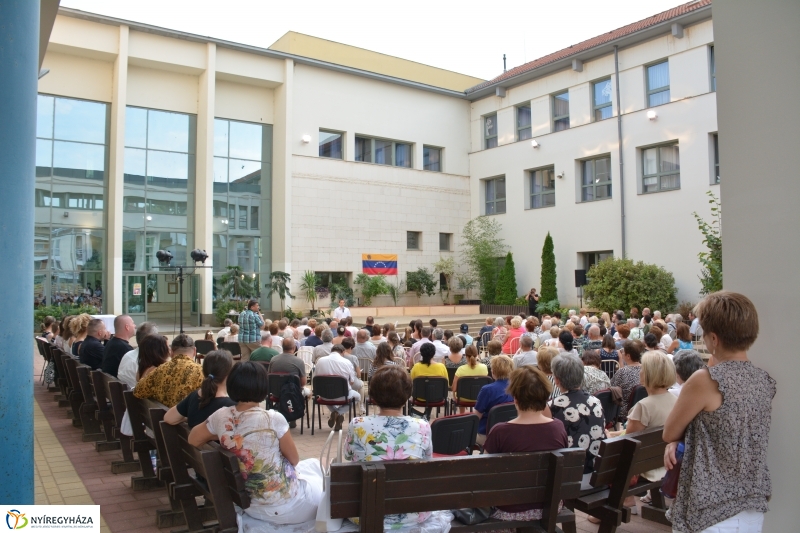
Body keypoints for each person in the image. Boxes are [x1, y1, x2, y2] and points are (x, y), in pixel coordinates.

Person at [664, 293, 775, 533]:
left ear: (713, 338)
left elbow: (669, 431)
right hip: (751, 506)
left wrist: (676, 440)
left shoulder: (706, 380)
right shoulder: (762, 380)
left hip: (712, 513)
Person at [189, 362, 323, 525]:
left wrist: (225, 437)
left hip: (248, 504)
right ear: (263, 388)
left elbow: (193, 439)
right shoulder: (273, 418)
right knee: (321, 479)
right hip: (284, 506)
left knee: (313, 466)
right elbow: (294, 460)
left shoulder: (221, 416)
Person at [344, 366, 432, 529]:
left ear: (373, 396)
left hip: (365, 512)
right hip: (413, 513)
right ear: (407, 395)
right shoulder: (422, 426)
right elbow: (427, 461)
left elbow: (348, 456)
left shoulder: (357, 425)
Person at [484, 365, 569, 525]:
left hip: (508, 509)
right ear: (545, 396)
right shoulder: (558, 427)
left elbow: (484, 473)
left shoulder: (500, 431)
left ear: (515, 398)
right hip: (550, 506)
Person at [627, 350, 677, 487]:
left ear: (649, 373)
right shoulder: (675, 400)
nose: (640, 371)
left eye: (642, 368)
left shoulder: (644, 407)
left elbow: (626, 443)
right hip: (663, 462)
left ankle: (627, 498)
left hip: (643, 468)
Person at [550, 354, 606, 473]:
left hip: (568, 472)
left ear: (556, 380)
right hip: (595, 468)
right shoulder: (595, 401)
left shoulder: (552, 406)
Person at [164, 350, 236, 428]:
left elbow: (168, 418)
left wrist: (188, 418)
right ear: (230, 375)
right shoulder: (232, 406)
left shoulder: (194, 396)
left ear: (204, 371)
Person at [134, 334, 204, 407]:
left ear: (172, 352)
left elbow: (137, 391)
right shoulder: (202, 372)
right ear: (195, 351)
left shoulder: (159, 370)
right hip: (187, 417)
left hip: (162, 417)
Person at [314, 344, 362, 429]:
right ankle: (339, 413)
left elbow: (315, 378)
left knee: (327, 395)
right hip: (343, 395)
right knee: (358, 397)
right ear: (343, 352)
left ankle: (335, 413)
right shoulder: (347, 362)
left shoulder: (320, 361)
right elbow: (352, 381)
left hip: (324, 395)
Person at [473, 355, 514, 445]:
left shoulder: (487, 390)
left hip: (488, 434)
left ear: (493, 371)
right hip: (511, 434)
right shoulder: (518, 387)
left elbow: (476, 417)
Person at [409, 343, 449, 418]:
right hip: (438, 397)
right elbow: (446, 384)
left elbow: (411, 384)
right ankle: (427, 414)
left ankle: (425, 414)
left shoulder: (416, 367)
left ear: (421, 353)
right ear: (434, 353)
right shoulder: (441, 367)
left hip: (419, 397)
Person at [117, 322, 159, 389]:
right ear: (152, 340)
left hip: (124, 395)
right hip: (134, 397)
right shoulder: (144, 360)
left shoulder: (128, 355)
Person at [611, 339, 644, 420]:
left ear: (628, 356)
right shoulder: (646, 369)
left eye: (623, 352)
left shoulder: (622, 372)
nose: (622, 353)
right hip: (643, 407)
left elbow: (612, 387)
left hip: (626, 411)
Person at [452, 345, 488, 413]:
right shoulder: (484, 367)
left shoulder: (460, 369)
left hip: (463, 398)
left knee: (459, 394)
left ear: (465, 356)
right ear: (477, 355)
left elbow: (454, 388)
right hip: (480, 397)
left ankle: (462, 414)